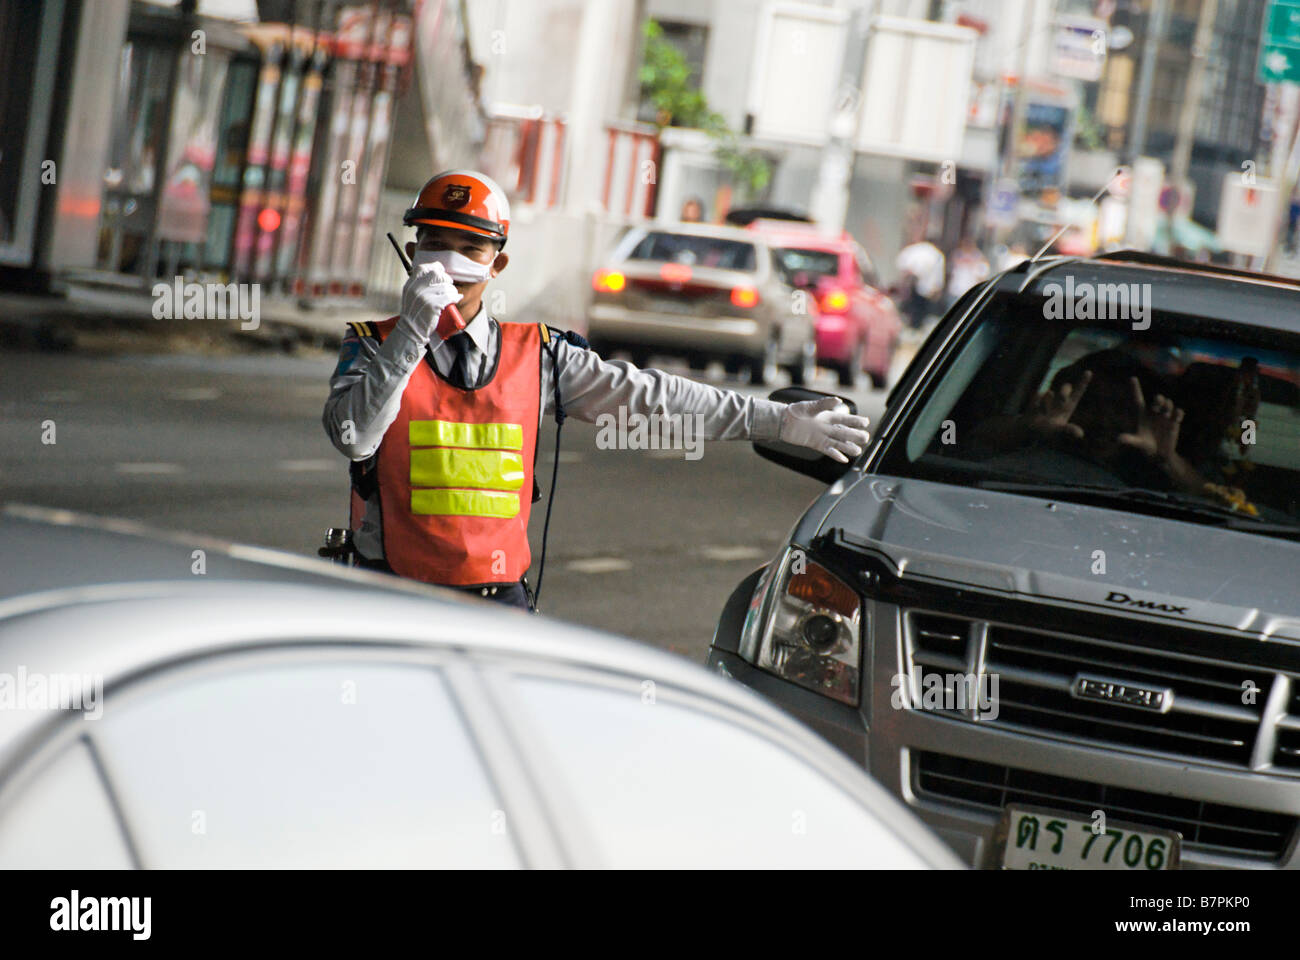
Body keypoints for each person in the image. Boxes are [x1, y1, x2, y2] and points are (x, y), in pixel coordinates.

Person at [322, 170, 871, 610]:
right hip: (391, 595)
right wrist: (412, 333)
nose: (447, 261)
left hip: (496, 602)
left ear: (498, 264)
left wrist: (777, 421)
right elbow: (354, 436)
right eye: (434, 243)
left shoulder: (539, 355)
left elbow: (651, 398)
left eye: (470, 248)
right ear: (411, 250)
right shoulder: (373, 345)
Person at [895, 236, 945, 331]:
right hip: (924, 288)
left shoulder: (913, 249)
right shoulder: (937, 254)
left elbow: (901, 263)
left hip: (911, 285)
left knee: (910, 308)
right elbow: (937, 275)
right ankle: (915, 328)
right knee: (921, 310)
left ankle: (910, 327)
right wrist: (937, 288)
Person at [945, 236, 990, 306]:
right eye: (965, 244)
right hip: (956, 290)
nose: (967, 246)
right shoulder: (957, 254)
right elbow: (949, 269)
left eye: (969, 245)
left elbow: (982, 275)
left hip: (969, 291)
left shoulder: (978, 256)